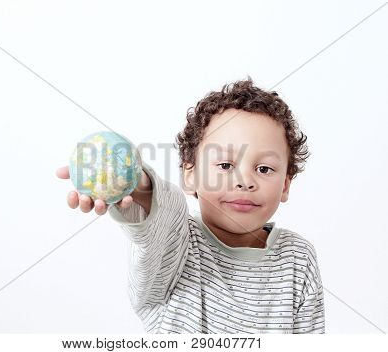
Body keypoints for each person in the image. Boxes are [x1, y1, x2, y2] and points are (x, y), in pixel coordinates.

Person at [56, 77, 325, 334]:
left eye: (264, 168)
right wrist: (136, 184)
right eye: (225, 165)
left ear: (285, 185)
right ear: (190, 175)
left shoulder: (297, 257)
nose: (245, 181)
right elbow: (165, 216)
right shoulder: (177, 245)